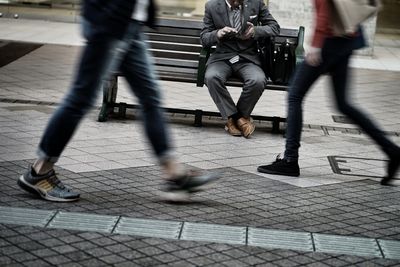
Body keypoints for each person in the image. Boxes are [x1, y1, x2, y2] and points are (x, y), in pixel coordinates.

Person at [17, 0, 218, 203]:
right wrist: (107, 18)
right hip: (110, 21)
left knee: (150, 98)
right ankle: (40, 171)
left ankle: (173, 175)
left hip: (130, 23)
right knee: (81, 98)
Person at [257, 0, 400, 185]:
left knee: (294, 95)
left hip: (329, 41)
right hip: (347, 38)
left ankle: (290, 160)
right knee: (343, 104)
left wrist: (316, 45)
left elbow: (324, 8)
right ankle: (392, 150)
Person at [200, 0, 280, 138]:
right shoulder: (211, 6)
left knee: (258, 80)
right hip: (222, 57)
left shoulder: (256, 3)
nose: (240, 2)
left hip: (248, 58)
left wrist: (255, 30)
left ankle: (234, 120)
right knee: (212, 77)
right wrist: (218, 34)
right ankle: (237, 118)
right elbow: (204, 38)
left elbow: (275, 28)